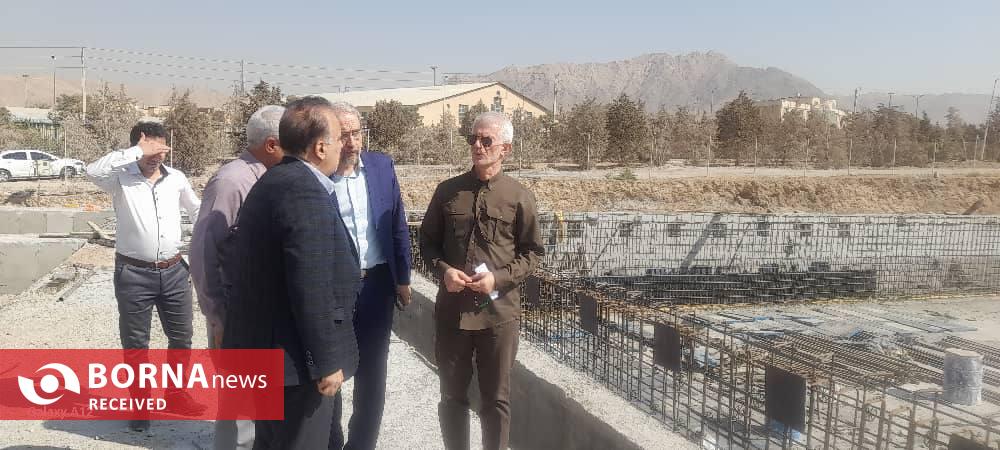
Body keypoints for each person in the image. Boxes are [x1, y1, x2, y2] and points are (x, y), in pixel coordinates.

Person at [222, 97, 360, 449]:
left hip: (277, 356)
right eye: (338, 138)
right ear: (320, 147)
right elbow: (309, 285)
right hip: (296, 365)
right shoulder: (302, 192)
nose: (344, 145)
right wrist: (326, 362)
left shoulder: (278, 180)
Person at [419, 111, 544, 450]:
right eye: (472, 138)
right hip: (453, 314)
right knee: (452, 396)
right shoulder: (448, 192)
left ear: (506, 149)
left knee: (495, 400)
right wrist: (444, 270)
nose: (477, 145)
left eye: (486, 140)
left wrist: (498, 279)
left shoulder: (519, 196)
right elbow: (427, 242)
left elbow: (533, 252)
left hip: (498, 316)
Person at [86, 121, 204, 432]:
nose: (156, 156)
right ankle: (140, 405)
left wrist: (206, 240)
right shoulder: (120, 179)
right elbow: (92, 171)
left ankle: (176, 396)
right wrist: (136, 151)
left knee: (181, 338)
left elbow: (197, 211)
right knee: (136, 343)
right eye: (151, 150)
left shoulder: (176, 178)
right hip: (133, 274)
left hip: (175, 271)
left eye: (161, 150)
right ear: (138, 147)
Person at [189, 105, 285, 449]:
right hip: (234, 313)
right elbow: (203, 252)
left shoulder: (270, 178)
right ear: (272, 144)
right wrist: (217, 317)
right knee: (240, 408)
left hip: (262, 312)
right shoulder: (233, 181)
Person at [325, 102, 412, 450]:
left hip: (377, 286)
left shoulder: (381, 167)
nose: (351, 142)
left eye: (356, 133)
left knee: (373, 374)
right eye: (343, 135)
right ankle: (331, 443)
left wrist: (402, 278)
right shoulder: (318, 175)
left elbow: (397, 224)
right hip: (335, 290)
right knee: (331, 370)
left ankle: (362, 445)